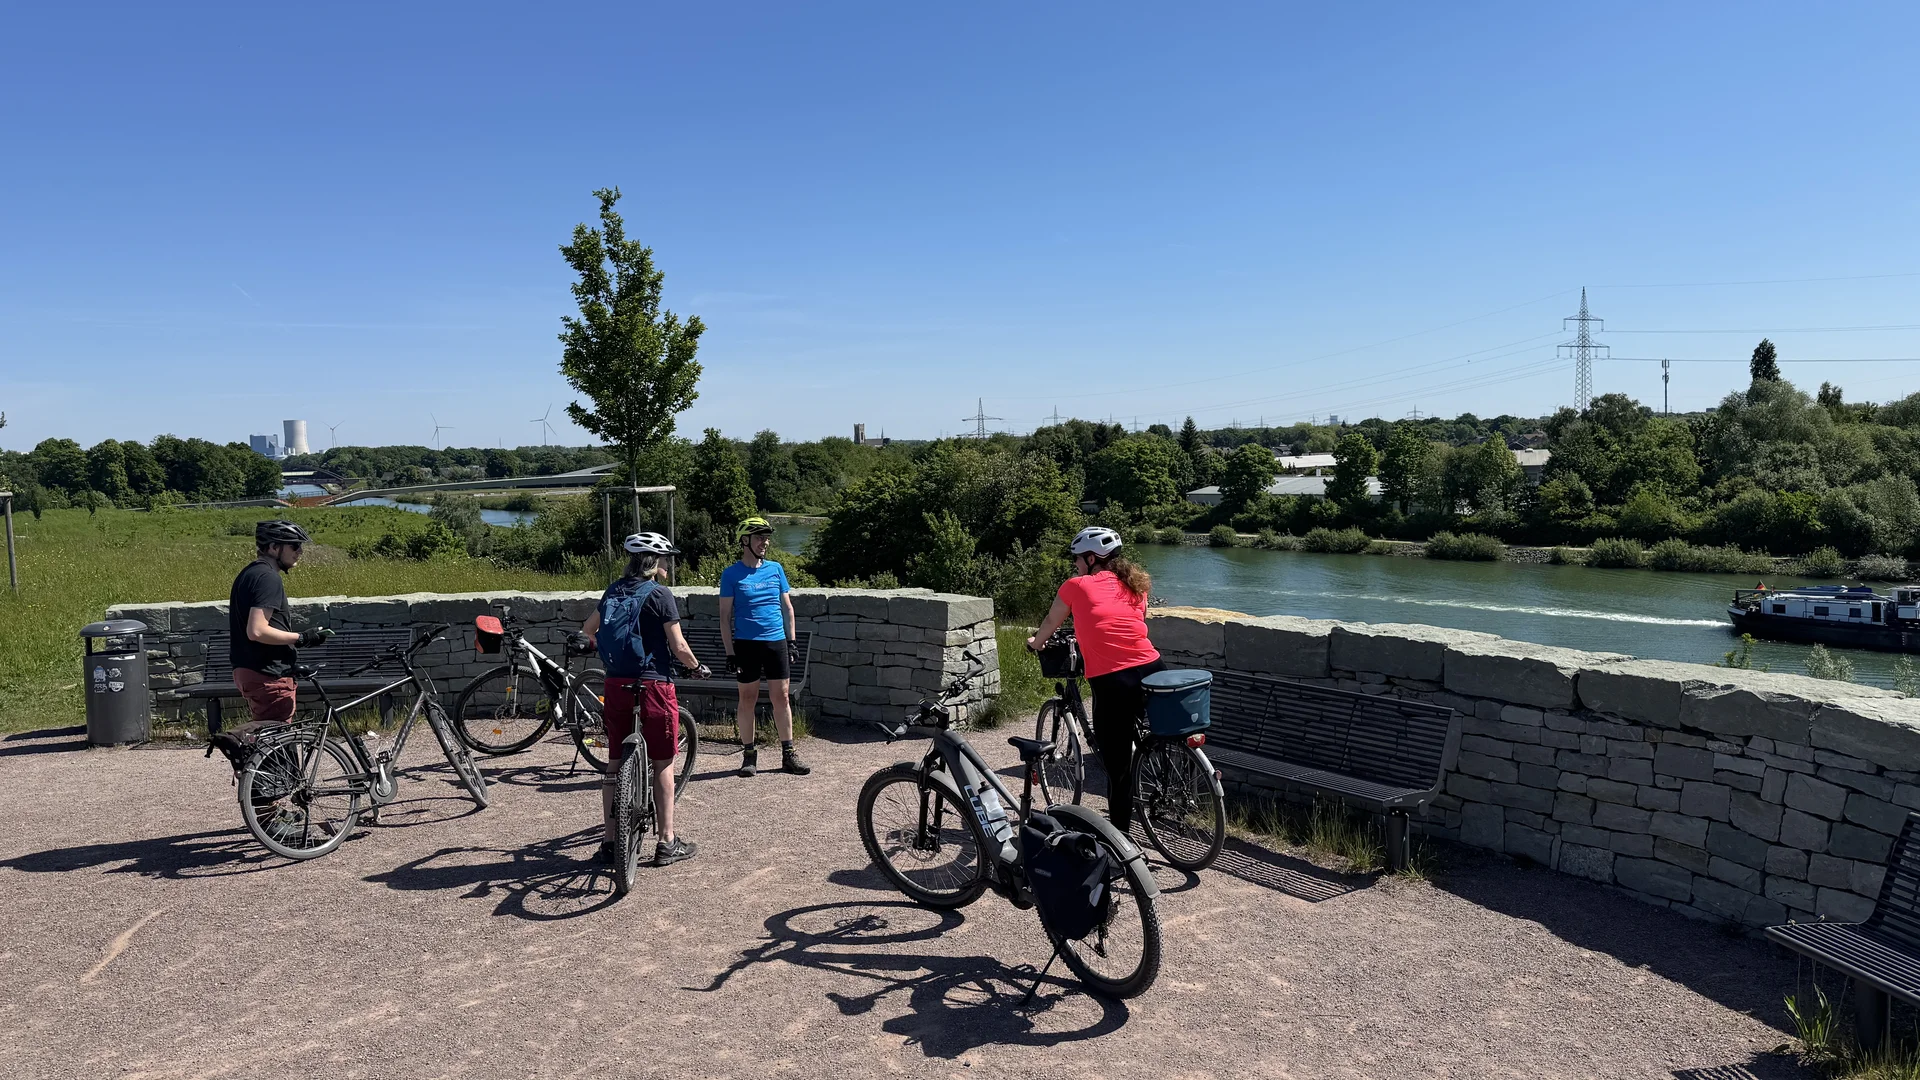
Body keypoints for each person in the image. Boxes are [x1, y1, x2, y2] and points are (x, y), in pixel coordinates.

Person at [582, 531, 710, 867]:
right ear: (655, 563)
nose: (669, 564)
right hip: (653, 685)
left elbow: (588, 631)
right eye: (666, 559)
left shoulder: (614, 590)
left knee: (613, 763)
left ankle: (609, 844)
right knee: (663, 762)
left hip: (615, 683)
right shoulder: (660, 594)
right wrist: (697, 668)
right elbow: (679, 647)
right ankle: (667, 842)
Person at [1026, 526, 1164, 831]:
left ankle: (1120, 844)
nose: (1075, 564)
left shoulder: (1076, 585)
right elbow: (1125, 622)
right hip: (1154, 667)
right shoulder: (1136, 585)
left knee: (1117, 769)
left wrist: (1036, 642)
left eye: (1077, 558)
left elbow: (1052, 621)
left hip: (1114, 679)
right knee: (1147, 733)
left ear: (1091, 558)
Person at [719, 516, 808, 777]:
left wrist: (791, 642)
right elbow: (725, 617)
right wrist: (730, 652)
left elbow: (787, 608)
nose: (765, 543)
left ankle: (788, 754)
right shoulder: (731, 574)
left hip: (776, 641)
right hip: (746, 645)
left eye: (766, 538)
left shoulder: (776, 569)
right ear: (744, 541)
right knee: (747, 699)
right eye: (759, 538)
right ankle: (749, 756)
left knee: (781, 697)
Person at [228, 520, 333, 725]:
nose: (300, 551)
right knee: (280, 744)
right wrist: (302, 638)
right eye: (294, 545)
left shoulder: (249, 573)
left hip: (249, 670)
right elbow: (257, 630)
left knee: (270, 743)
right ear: (274, 547)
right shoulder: (268, 578)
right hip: (268, 673)